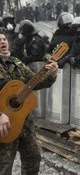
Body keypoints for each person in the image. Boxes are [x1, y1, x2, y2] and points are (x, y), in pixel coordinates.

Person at [0, 30, 58, 175]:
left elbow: (34, 82)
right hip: (4, 126)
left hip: (25, 123)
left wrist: (51, 75)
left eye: (4, 39)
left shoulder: (17, 63)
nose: (3, 42)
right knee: (4, 166)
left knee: (33, 159)